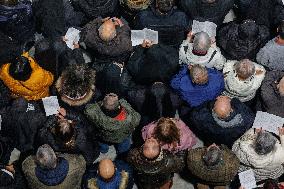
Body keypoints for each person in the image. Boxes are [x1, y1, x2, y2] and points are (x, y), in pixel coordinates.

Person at [188, 95, 254, 147]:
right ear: (231, 110)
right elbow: (253, 117)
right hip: (228, 142)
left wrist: (209, 104)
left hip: (213, 139)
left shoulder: (203, 116)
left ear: (213, 109)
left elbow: (193, 115)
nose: (219, 97)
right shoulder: (244, 116)